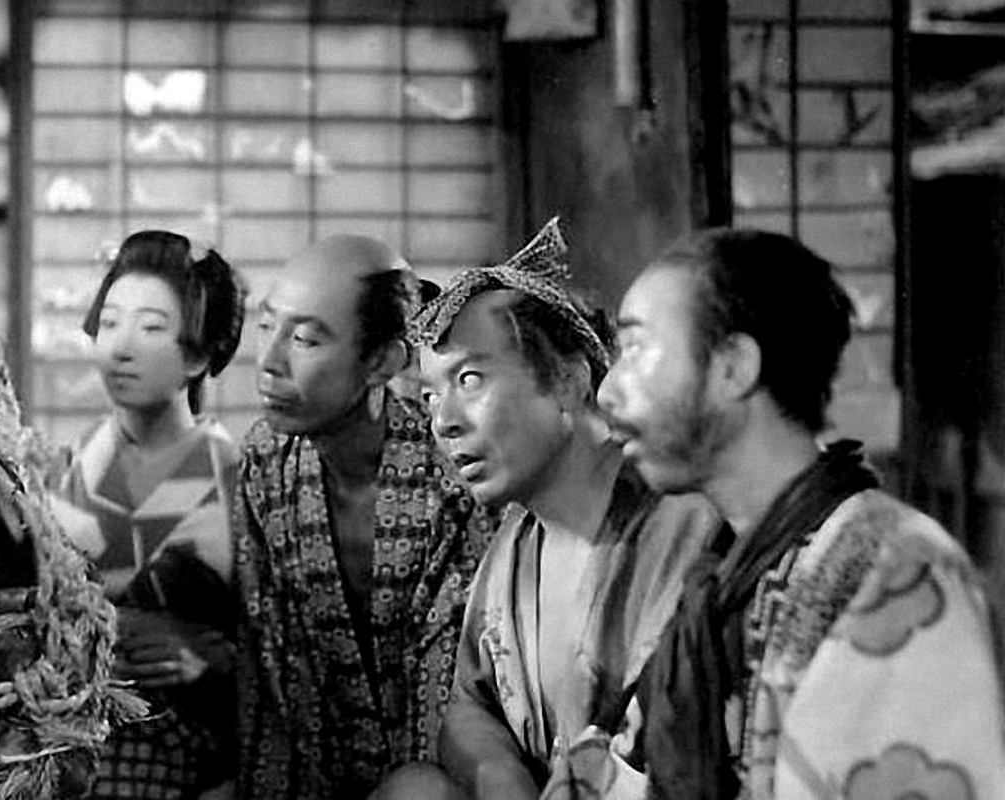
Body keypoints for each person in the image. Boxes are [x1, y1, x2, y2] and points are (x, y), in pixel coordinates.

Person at [598, 228, 1005, 799]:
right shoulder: (723, 578)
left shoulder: (895, 569)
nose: (608, 392)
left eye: (635, 347)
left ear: (732, 367)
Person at [407, 220, 719, 798]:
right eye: (430, 395)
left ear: (571, 381)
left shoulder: (680, 525)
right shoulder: (516, 540)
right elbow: (469, 703)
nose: (442, 421)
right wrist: (498, 774)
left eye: (470, 379)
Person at [233, 234, 500, 799]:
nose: (269, 360)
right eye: (267, 326)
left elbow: (446, 694)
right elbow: (273, 671)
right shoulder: (266, 461)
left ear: (382, 361)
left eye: (304, 339)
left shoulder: (449, 482)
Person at [56, 230, 245, 800]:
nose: (121, 347)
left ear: (198, 353)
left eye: (152, 327)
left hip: (194, 749)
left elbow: (282, 644)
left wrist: (211, 665)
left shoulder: (235, 474)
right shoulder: (73, 461)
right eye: (109, 323)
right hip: (76, 738)